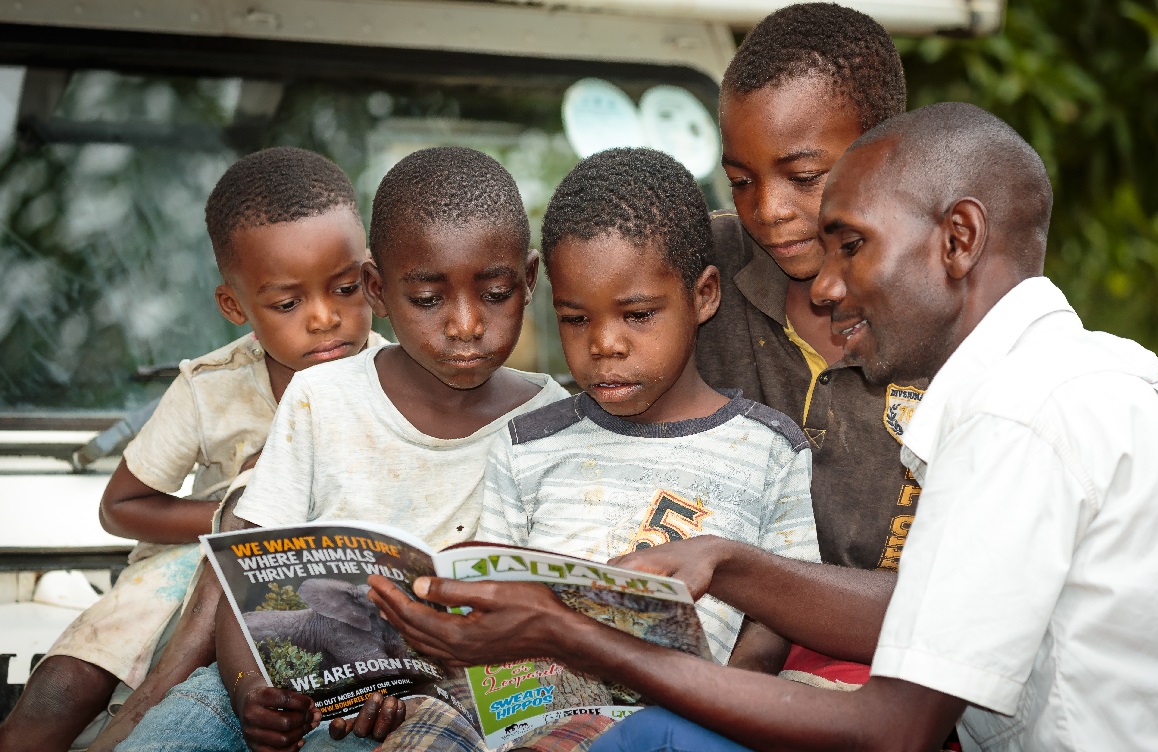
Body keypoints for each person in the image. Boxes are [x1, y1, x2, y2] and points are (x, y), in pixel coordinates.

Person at [371, 103, 1158, 751]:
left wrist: (571, 637)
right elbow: (930, 614)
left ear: (958, 240)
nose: (828, 288)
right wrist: (728, 564)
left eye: (850, 245)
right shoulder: (1083, 379)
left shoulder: (1022, 419)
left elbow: (890, 731)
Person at [114, 146, 569, 752]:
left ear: (530, 280)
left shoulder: (554, 422)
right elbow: (249, 583)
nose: (465, 324)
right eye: (429, 300)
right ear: (377, 289)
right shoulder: (321, 396)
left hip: (439, 709)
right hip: (271, 690)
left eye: (495, 293)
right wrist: (253, 694)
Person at [374, 146, 820, 752]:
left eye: (637, 315)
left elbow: (778, 616)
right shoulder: (527, 441)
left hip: (664, 714)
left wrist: (725, 700)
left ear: (704, 296)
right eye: (575, 320)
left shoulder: (769, 449)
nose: (604, 345)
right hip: (510, 713)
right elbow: (494, 595)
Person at [0, 146, 381, 752]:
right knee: (61, 687)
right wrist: (233, 519)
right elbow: (122, 506)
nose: (323, 317)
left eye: (345, 287)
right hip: (185, 570)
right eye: (287, 303)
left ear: (375, 279)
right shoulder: (211, 387)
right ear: (236, 308)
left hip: (325, 582)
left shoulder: (397, 381)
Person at [701, 3, 922, 587]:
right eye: (741, 181)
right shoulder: (699, 268)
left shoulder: (949, 313)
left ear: (887, 152)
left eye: (803, 178)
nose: (768, 211)